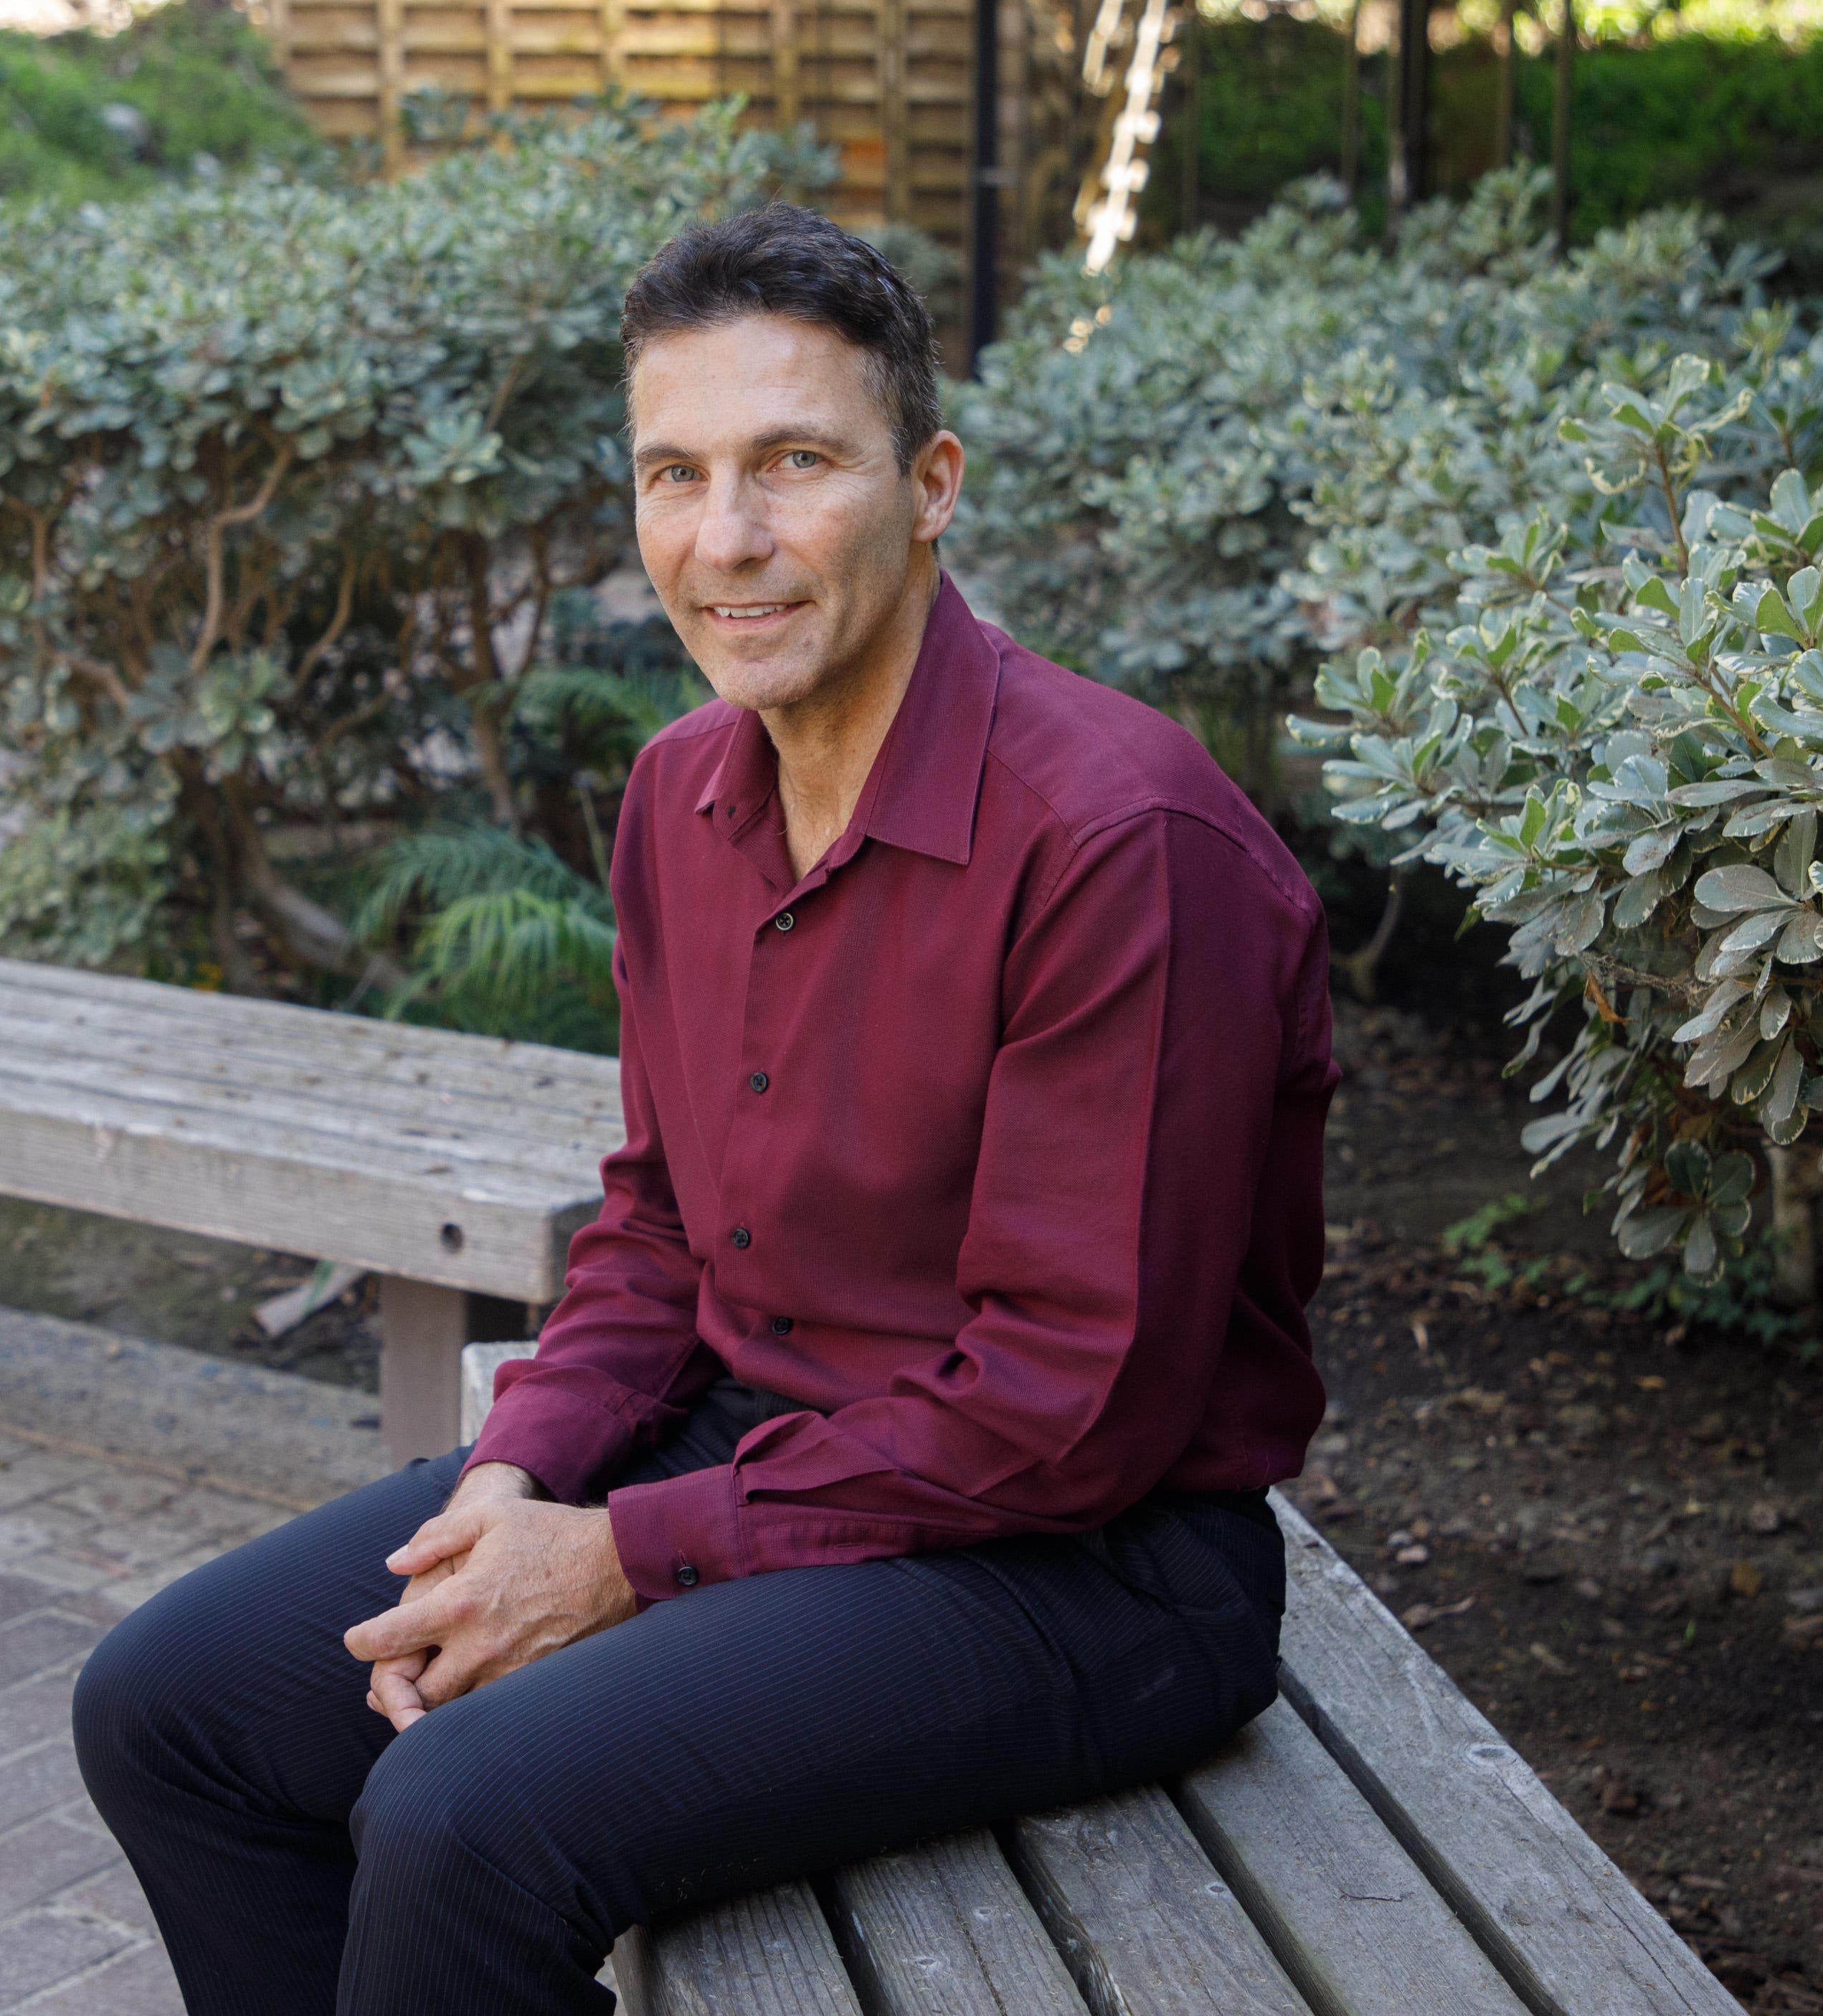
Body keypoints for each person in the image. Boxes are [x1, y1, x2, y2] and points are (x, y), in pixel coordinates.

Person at [71, 203, 1337, 2016]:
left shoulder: (1120, 842)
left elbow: (1071, 1413)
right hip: (756, 1447)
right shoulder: (683, 791)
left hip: (1087, 1566)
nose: (724, 541)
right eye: (674, 475)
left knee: (459, 1820)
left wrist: (612, 1558)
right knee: (172, 1708)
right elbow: (662, 1224)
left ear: (933, 484)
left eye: (794, 463)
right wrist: (520, 1476)